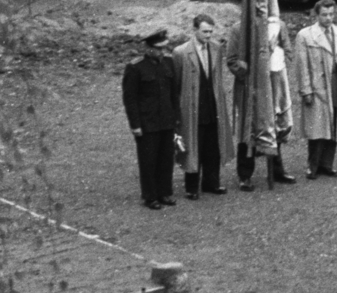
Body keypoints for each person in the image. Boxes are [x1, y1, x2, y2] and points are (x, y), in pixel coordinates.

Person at [228, 15, 296, 191]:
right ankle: (245, 174)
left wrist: (278, 52)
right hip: (252, 87)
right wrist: (253, 69)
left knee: (276, 124)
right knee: (248, 128)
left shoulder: (278, 25)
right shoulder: (239, 29)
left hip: (275, 84)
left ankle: (276, 169)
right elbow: (232, 61)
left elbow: (287, 51)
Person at [293, 0, 337, 179]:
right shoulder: (306, 35)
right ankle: (312, 165)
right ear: (316, 15)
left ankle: (327, 164)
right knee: (317, 127)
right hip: (318, 87)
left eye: (331, 14)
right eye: (324, 15)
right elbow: (301, 66)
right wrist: (306, 90)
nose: (328, 18)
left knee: (336, 123)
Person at [174, 15, 231, 200]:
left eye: (211, 32)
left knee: (212, 146)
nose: (208, 35)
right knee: (193, 145)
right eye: (205, 31)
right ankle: (191, 187)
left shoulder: (216, 49)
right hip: (192, 108)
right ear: (195, 30)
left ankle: (211, 183)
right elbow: (176, 84)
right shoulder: (181, 52)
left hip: (212, 106)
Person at [122, 28, 180, 210]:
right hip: (147, 122)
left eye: (164, 48)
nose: (162, 52)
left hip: (166, 120)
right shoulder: (136, 67)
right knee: (148, 160)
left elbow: (174, 93)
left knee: (166, 158)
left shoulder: (169, 63)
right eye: (158, 49)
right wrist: (135, 125)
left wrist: (176, 117)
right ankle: (150, 196)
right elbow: (130, 99)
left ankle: (164, 192)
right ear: (148, 49)